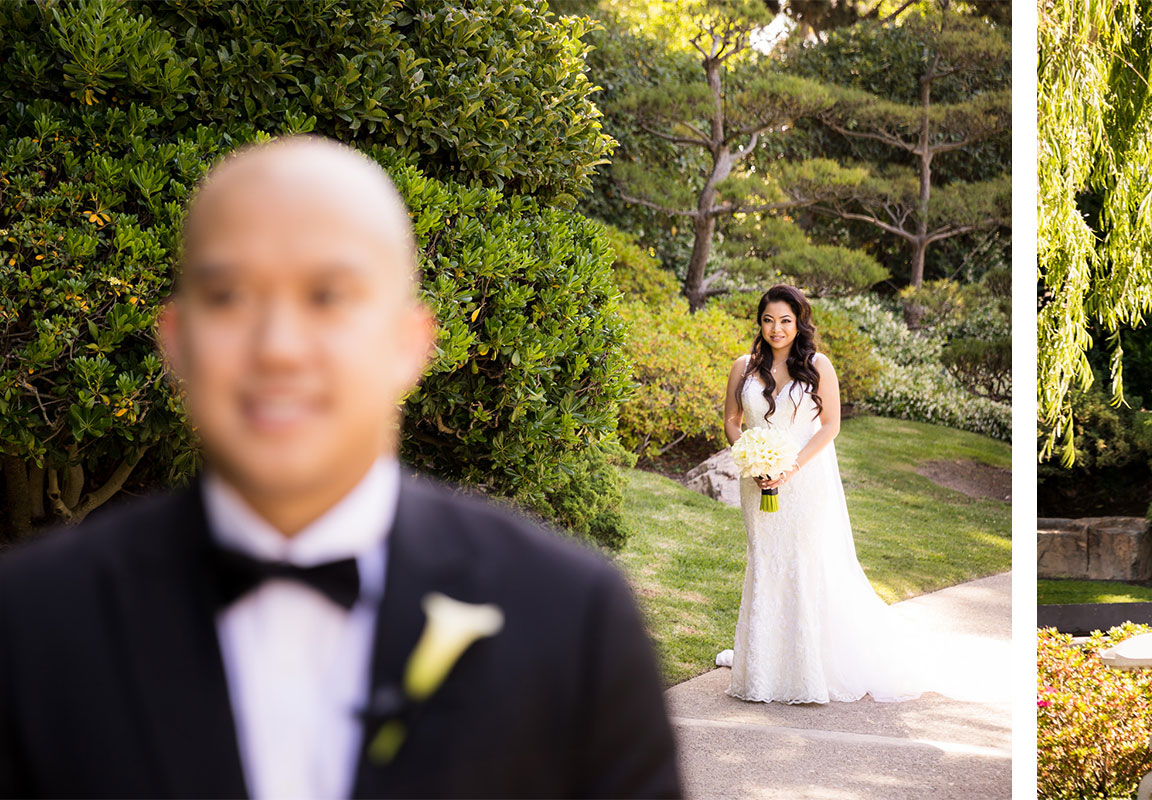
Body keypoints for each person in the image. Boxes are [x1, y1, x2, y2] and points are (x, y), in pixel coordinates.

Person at [0, 135, 685, 797]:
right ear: (176, 340)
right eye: (228, 296)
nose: (278, 348)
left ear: (410, 343)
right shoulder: (31, 625)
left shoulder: (572, 621)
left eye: (328, 295)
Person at [714, 285, 930, 704]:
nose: (776, 329)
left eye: (786, 321)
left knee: (802, 562)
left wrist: (787, 468)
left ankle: (806, 666)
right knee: (764, 560)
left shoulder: (818, 365)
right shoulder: (743, 366)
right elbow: (731, 419)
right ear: (759, 322)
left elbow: (830, 425)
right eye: (768, 320)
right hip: (755, 479)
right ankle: (765, 665)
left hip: (803, 480)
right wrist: (752, 458)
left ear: (799, 324)